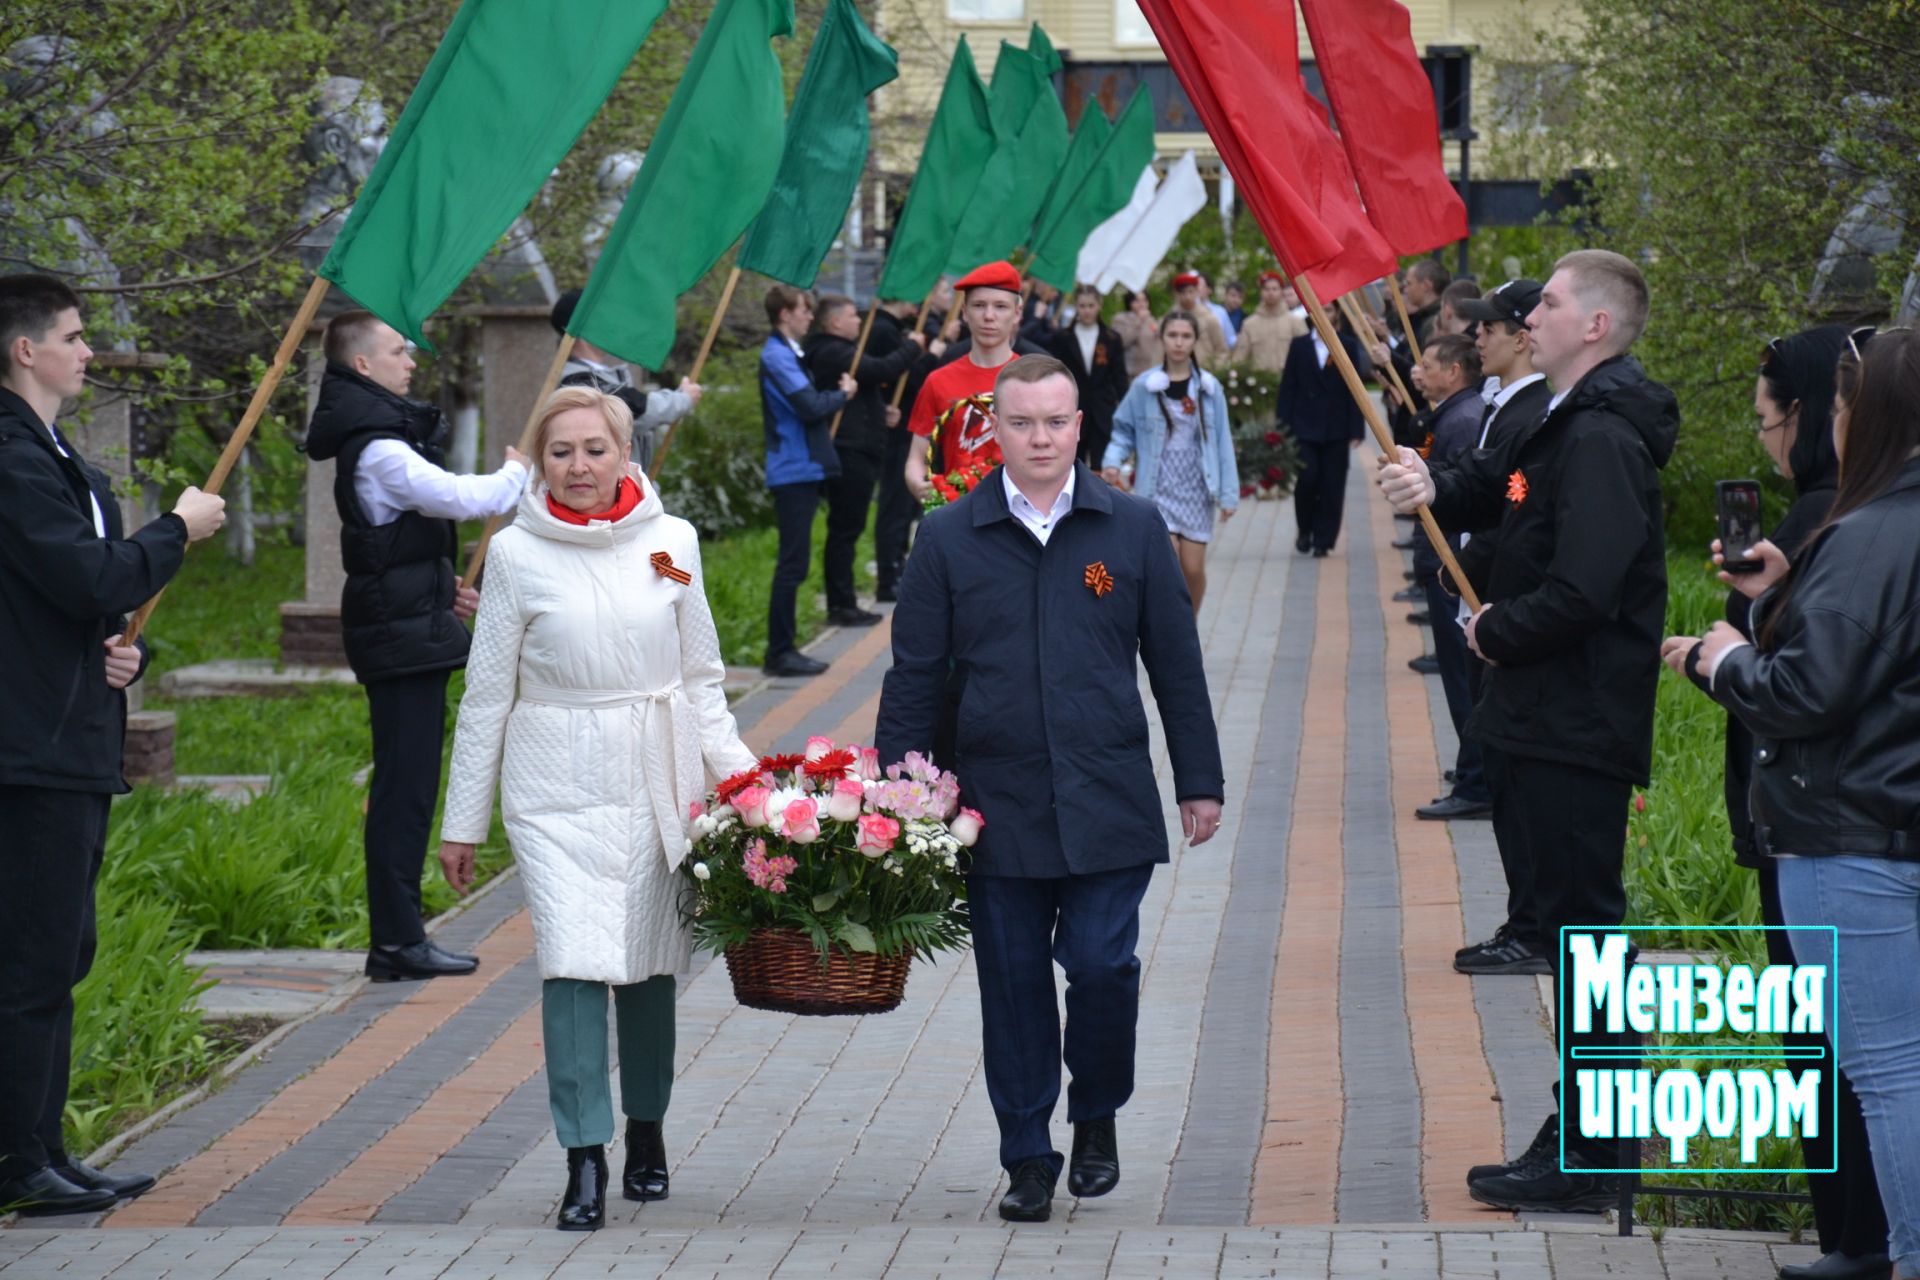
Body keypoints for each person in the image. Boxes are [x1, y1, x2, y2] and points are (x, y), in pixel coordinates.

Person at [876, 355, 1224, 1225]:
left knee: (1104, 965)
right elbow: (913, 676)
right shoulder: (950, 536)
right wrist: (899, 797)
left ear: (1081, 426)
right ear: (993, 428)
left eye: (1056, 422)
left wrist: (1200, 780)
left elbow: (1176, 664)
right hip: (997, 805)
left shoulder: (1131, 528)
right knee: (1015, 984)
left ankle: (1096, 1110)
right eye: (1022, 423)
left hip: (1107, 795)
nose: (1040, 438)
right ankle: (1027, 1155)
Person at [1379, 249, 1677, 1211]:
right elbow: (1497, 495)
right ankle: (1587, 1132)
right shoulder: (1555, 423)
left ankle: (1599, 1153)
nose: (1526, 315)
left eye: (1547, 302)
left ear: (1595, 325)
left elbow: (1587, 586)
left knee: (1587, 936)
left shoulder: (1601, 440)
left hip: (1575, 725)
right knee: (1564, 932)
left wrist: (1497, 629)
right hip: (1538, 721)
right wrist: (1430, 485)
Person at [440, 387, 758, 1233]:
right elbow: (486, 695)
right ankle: (584, 1157)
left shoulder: (671, 544)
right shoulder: (514, 556)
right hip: (554, 782)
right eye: (560, 452)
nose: (578, 468)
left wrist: (749, 786)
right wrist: (463, 818)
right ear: (539, 462)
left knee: (651, 963)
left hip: (658, 770)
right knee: (574, 965)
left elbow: (702, 679)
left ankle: (646, 1127)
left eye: (595, 449)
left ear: (627, 453)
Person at [1660, 325, 1891, 1280]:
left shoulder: (1850, 524)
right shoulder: (1836, 524)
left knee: (1849, 1055)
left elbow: (1809, 688)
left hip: (1835, 829)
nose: (1768, 442)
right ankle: (1853, 1232)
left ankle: (1864, 1237)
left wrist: (1725, 657)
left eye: (1773, 421)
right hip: (1820, 822)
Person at [0, 274, 226, 1216]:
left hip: (71, 739)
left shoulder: (59, 457)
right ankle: (17, 1163)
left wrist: (119, 653)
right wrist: (179, 529)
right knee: (27, 965)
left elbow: (79, 603)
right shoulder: (11, 457)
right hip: (26, 750)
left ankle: (47, 1147)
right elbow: (86, 572)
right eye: (75, 336)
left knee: (62, 954)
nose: (88, 351)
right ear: (25, 350)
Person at [305, 310, 529, 983]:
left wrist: (443, 598)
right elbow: (462, 498)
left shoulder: (379, 436)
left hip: (408, 630)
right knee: (404, 792)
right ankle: (398, 943)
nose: (411, 361)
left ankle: (401, 938)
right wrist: (515, 473)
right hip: (396, 639)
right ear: (363, 366)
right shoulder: (378, 448)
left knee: (407, 787)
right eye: (399, 352)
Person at [1446, 278, 1555, 975]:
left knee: (1523, 792)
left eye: (1489, 328)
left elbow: (1515, 494)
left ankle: (1536, 929)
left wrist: (1477, 554)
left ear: (1523, 336)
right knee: (1509, 786)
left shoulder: (1532, 415)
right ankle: (1527, 920)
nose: (1476, 337)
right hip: (1493, 605)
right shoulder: (1508, 407)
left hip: (1512, 613)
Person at [1404, 334, 1491, 823]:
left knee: (1462, 678)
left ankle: (1477, 777)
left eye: (1428, 364)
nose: (1418, 371)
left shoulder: (1461, 420)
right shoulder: (1453, 414)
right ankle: (1472, 768)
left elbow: (1455, 495)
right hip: (1446, 561)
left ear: (1454, 372)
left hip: (1452, 563)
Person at [1102, 311, 1239, 614]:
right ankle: (1171, 628)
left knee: (1192, 569)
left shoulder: (1208, 388)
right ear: (1162, 339)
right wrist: (1113, 461)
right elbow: (1123, 430)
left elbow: (1222, 442)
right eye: (1172, 335)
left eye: (1186, 336)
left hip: (1197, 488)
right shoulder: (1144, 386)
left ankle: (1189, 624)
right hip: (1157, 486)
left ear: (1194, 340)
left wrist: (1229, 495)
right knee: (1170, 560)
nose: (1178, 343)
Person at [804, 295, 924, 627]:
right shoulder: (832, 350)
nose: (859, 322)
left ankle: (845, 601)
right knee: (844, 530)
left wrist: (880, 410)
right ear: (834, 322)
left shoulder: (838, 350)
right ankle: (841, 604)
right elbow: (879, 369)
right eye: (851, 317)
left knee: (849, 529)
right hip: (849, 449)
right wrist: (913, 347)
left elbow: (867, 387)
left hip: (860, 445)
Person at [759, 285, 856, 678]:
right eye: (803, 310)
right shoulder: (777, 355)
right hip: (792, 469)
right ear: (784, 314)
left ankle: (785, 647)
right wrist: (842, 394)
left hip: (802, 467)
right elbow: (810, 406)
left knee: (796, 562)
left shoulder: (789, 352)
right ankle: (779, 651)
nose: (809, 317)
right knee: (792, 563)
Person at [904, 260, 1023, 501]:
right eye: (979, 305)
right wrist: (918, 485)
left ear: (1017, 314)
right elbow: (916, 458)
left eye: (1000, 307)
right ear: (965, 313)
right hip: (958, 515)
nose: (989, 316)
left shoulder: (1034, 379)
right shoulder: (938, 381)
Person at [549, 288, 701, 475]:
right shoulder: (578, 382)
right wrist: (682, 399)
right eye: (602, 316)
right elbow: (635, 411)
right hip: (612, 497)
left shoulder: (593, 375)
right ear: (584, 326)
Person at [1276, 309, 1370, 557]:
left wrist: (1356, 427)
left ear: (1338, 313)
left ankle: (1324, 539)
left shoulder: (1347, 345)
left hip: (1336, 426)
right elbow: (1289, 386)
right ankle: (1305, 529)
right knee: (1307, 480)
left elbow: (1355, 388)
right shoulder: (1300, 345)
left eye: (1329, 309)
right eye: (1320, 310)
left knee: (1332, 484)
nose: (1325, 314)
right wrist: (1282, 427)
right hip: (1303, 425)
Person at [871, 296, 946, 602]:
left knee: (904, 508)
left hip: (904, 429)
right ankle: (887, 576)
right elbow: (901, 375)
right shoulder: (883, 331)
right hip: (897, 433)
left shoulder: (899, 328)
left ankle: (896, 567)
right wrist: (926, 354)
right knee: (894, 505)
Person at [1046, 283, 1129, 470]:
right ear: (1076, 306)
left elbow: (1119, 377)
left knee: (1102, 463)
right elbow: (1056, 373)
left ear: (1099, 305)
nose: (1087, 311)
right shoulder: (1063, 338)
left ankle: (1101, 498)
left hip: (1103, 408)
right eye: (1082, 306)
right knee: (1075, 461)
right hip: (1074, 406)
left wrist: (1124, 408)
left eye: (1091, 305)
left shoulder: (1111, 338)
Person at [1230, 272, 1308, 374]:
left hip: (1289, 382)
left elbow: (1306, 355)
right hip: (1259, 383)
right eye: (1266, 289)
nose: (1271, 293)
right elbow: (1240, 358)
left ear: (1281, 291)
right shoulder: (1249, 324)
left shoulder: (1295, 322)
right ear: (1261, 292)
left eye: (1275, 289)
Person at [1169, 272, 1230, 367]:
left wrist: (1215, 369)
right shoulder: (1169, 320)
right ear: (1176, 294)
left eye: (1191, 292)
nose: (1187, 297)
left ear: (1197, 292)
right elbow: (1160, 351)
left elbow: (1221, 350)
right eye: (1183, 292)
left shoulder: (1209, 318)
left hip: (1204, 372)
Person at [1110, 290, 1163, 379]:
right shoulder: (1121, 319)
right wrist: (1139, 321)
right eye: (1137, 301)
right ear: (1129, 302)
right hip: (1131, 373)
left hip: (1151, 371)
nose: (1141, 304)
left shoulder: (1151, 320)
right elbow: (1121, 342)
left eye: (1145, 300)